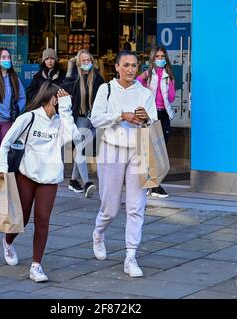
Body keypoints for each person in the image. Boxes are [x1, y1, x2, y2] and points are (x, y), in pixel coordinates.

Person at [0, 82, 78, 282]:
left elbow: (74, 137)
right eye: (60, 98)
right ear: (52, 98)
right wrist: (1, 168)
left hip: (49, 178)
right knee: (22, 219)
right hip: (27, 174)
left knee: (42, 219)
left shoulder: (61, 121)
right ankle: (8, 242)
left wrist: (66, 109)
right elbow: (6, 143)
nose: (62, 102)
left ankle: (36, 266)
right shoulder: (29, 118)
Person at [89, 51, 157, 277]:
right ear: (117, 66)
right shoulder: (106, 89)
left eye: (134, 65)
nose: (130, 69)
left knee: (136, 206)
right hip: (112, 150)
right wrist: (121, 116)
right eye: (126, 65)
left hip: (139, 149)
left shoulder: (144, 92)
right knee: (110, 206)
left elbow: (153, 120)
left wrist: (145, 118)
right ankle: (99, 233)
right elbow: (95, 118)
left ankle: (130, 256)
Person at [62, 49, 104, 198]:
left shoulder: (98, 79)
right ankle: (86, 183)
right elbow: (64, 89)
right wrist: (69, 67)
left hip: (94, 120)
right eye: (83, 61)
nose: (86, 63)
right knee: (80, 150)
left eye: (88, 60)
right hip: (79, 119)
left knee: (83, 150)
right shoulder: (74, 78)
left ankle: (73, 180)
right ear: (78, 63)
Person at [137, 46, 176, 198]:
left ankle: (154, 184)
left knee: (161, 150)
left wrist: (170, 83)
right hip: (151, 115)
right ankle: (154, 185)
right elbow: (137, 88)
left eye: (162, 56)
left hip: (164, 115)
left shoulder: (168, 75)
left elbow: (171, 98)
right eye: (157, 57)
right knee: (150, 151)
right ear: (152, 59)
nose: (160, 59)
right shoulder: (147, 75)